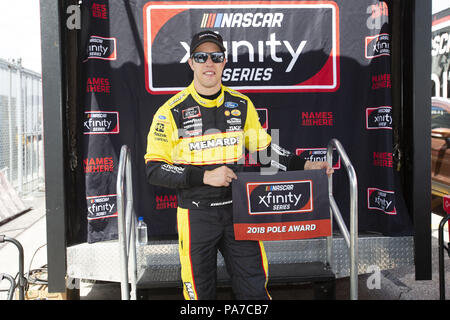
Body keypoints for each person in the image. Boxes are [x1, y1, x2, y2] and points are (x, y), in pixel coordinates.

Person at [144, 30, 333, 300]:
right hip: (196, 215)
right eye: (201, 56)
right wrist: (205, 177)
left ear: (224, 61)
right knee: (198, 295)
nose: (209, 62)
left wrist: (305, 165)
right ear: (191, 63)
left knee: (254, 290)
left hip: (240, 212)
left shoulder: (241, 104)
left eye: (216, 56)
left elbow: (265, 149)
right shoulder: (170, 111)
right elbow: (155, 169)